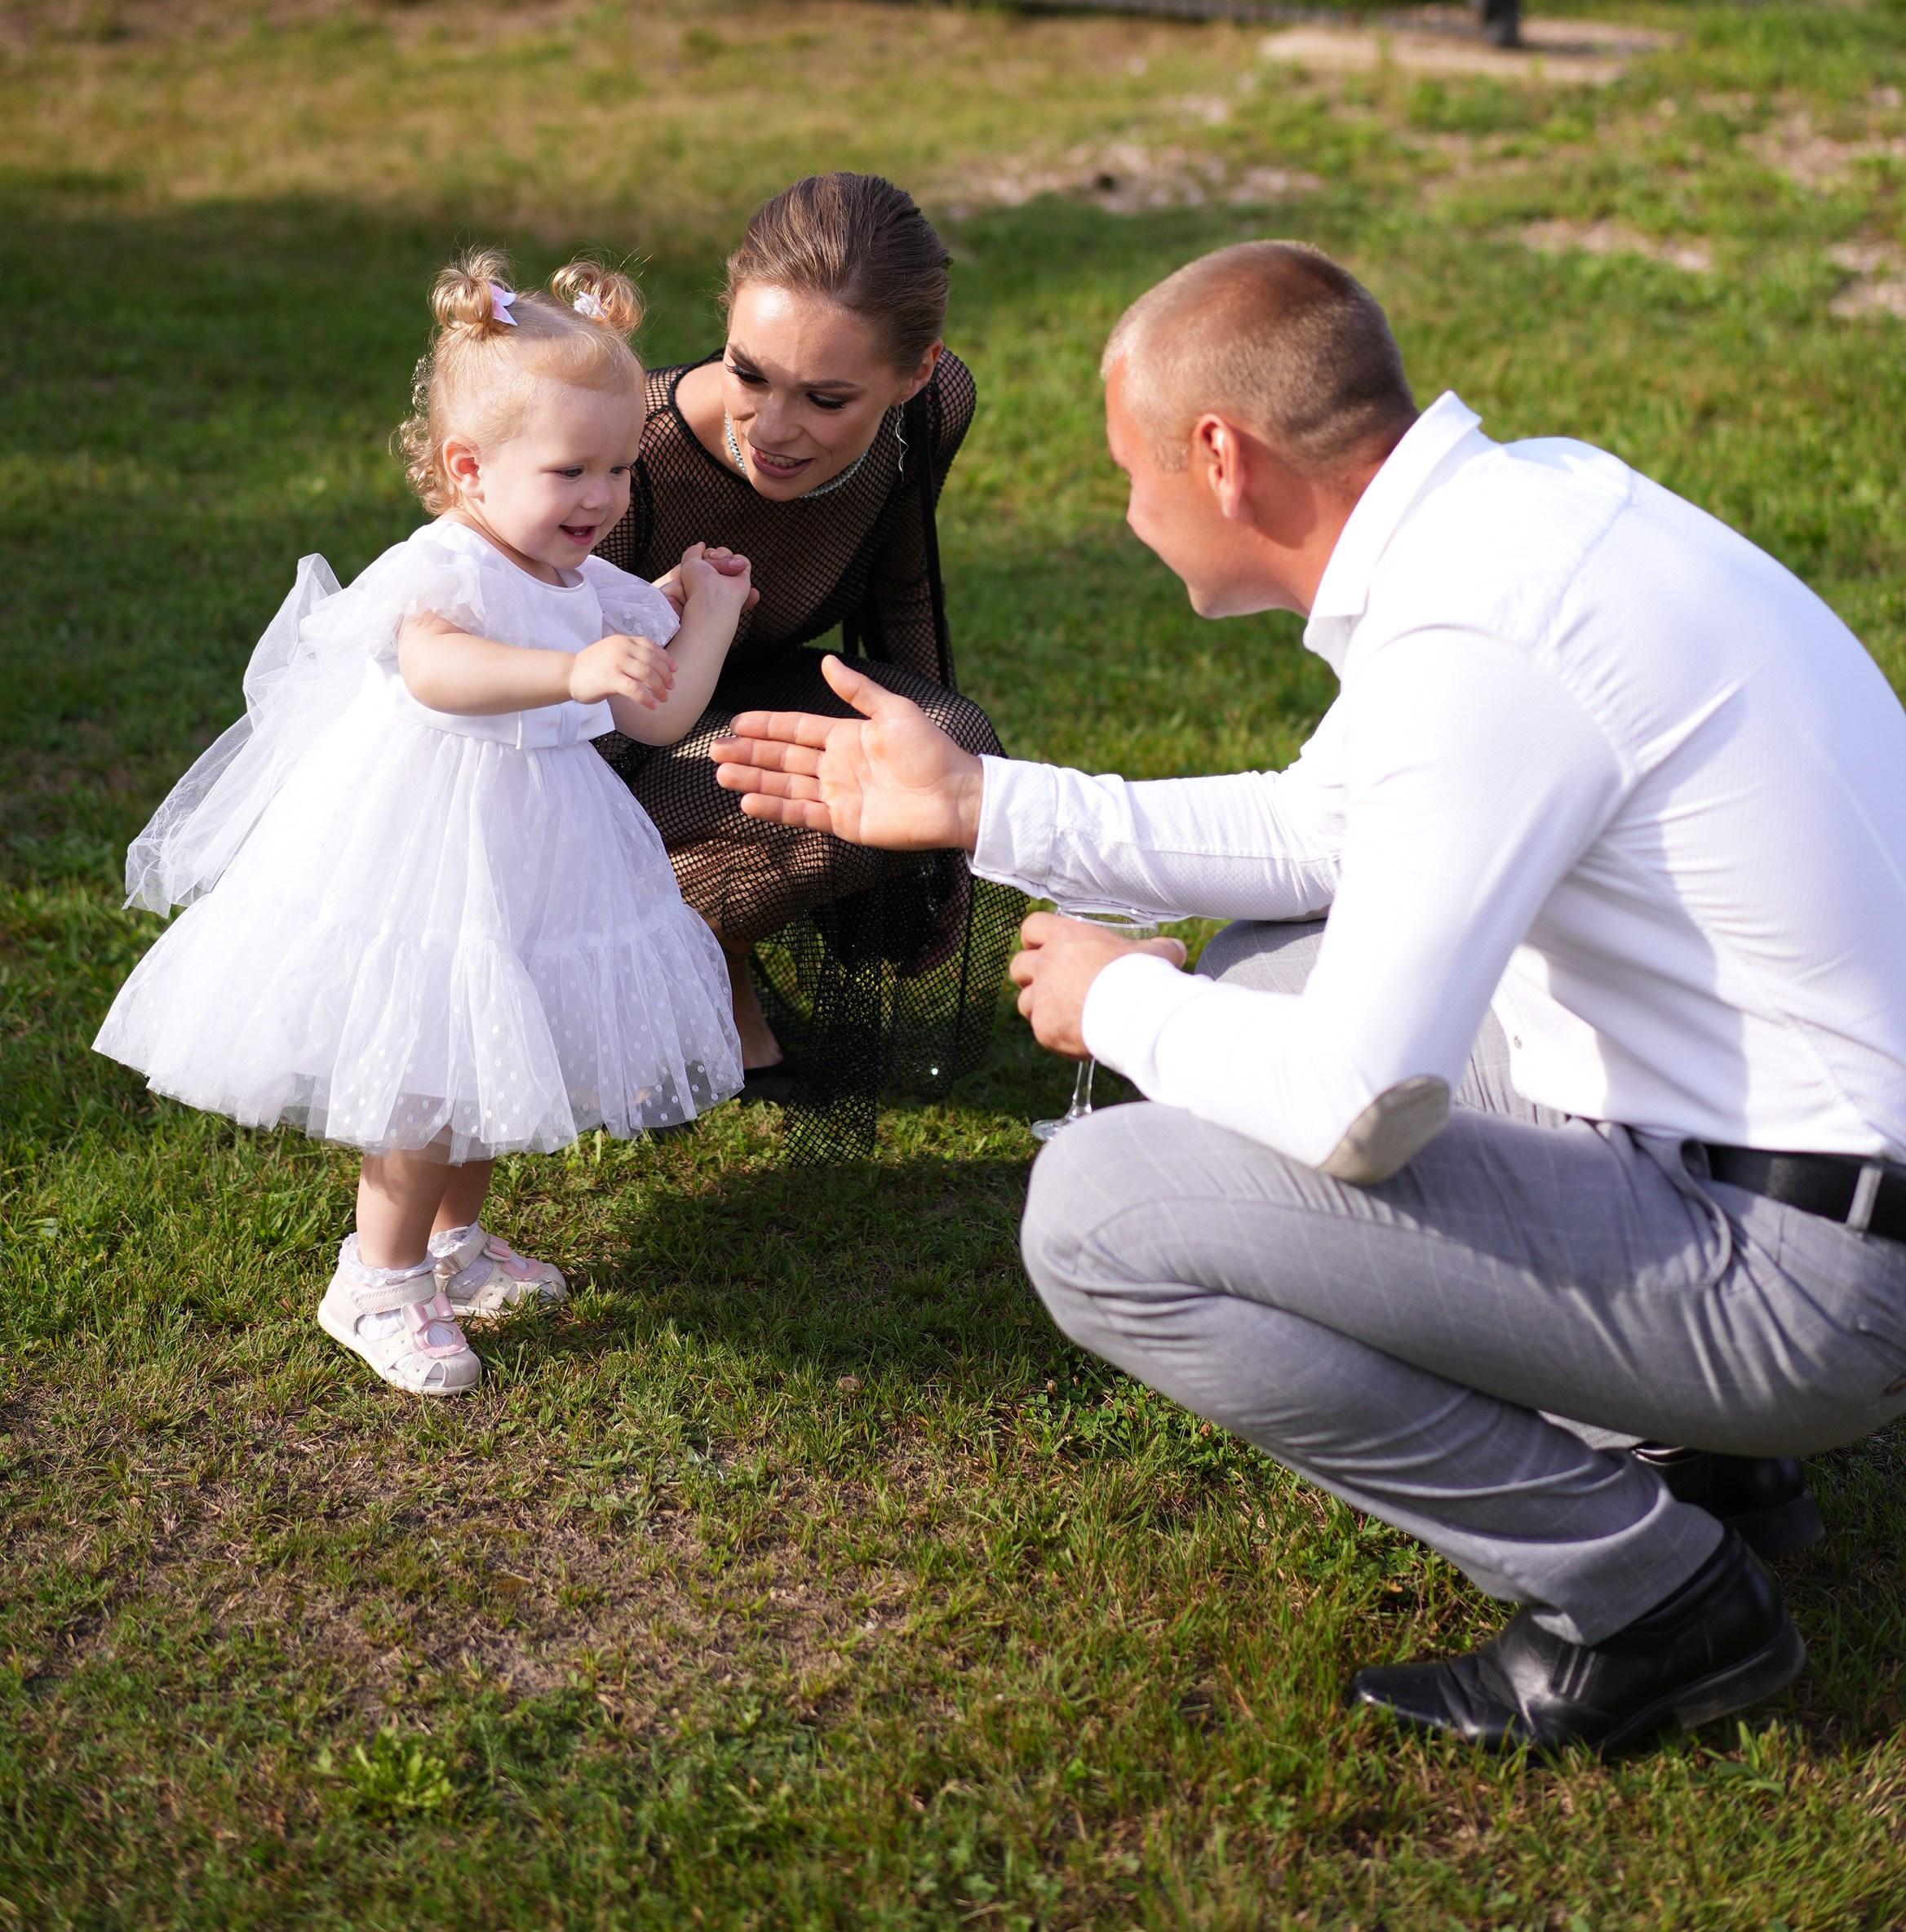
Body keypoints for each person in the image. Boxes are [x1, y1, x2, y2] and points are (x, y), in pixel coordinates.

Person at [713, 238, 1906, 1757]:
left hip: (1808, 1280)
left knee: (1099, 1214)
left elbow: (1358, 1104)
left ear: (1221, 456)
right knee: (1265, 962)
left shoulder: (1479, 638)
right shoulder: (1522, 517)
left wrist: (1116, 1005)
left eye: (1129, 474)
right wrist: (975, 802)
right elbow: (1323, 829)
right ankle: (1694, 1451)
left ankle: (1656, 1595)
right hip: (1793, 1167)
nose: (1129, 512)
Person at [95, 252, 750, 1397]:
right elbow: (439, 671)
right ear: (468, 469)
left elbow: (667, 703)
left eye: (616, 470)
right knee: (428, 1064)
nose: (601, 499)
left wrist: (711, 614)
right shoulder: (444, 565)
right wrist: (566, 666)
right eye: (570, 471)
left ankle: (454, 1242)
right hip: (431, 844)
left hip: (541, 849)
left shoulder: (583, 577)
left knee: (503, 1044)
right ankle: (377, 1277)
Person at [595, 171, 1015, 1155]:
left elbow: (904, 591)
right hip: (595, 741)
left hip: (742, 703)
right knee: (839, 813)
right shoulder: (634, 455)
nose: (771, 429)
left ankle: (712, 959)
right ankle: (663, 971)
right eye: (750, 374)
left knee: (944, 748)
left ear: (915, 373)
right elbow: (557, 716)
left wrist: (956, 814)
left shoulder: (931, 409)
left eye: (826, 398)